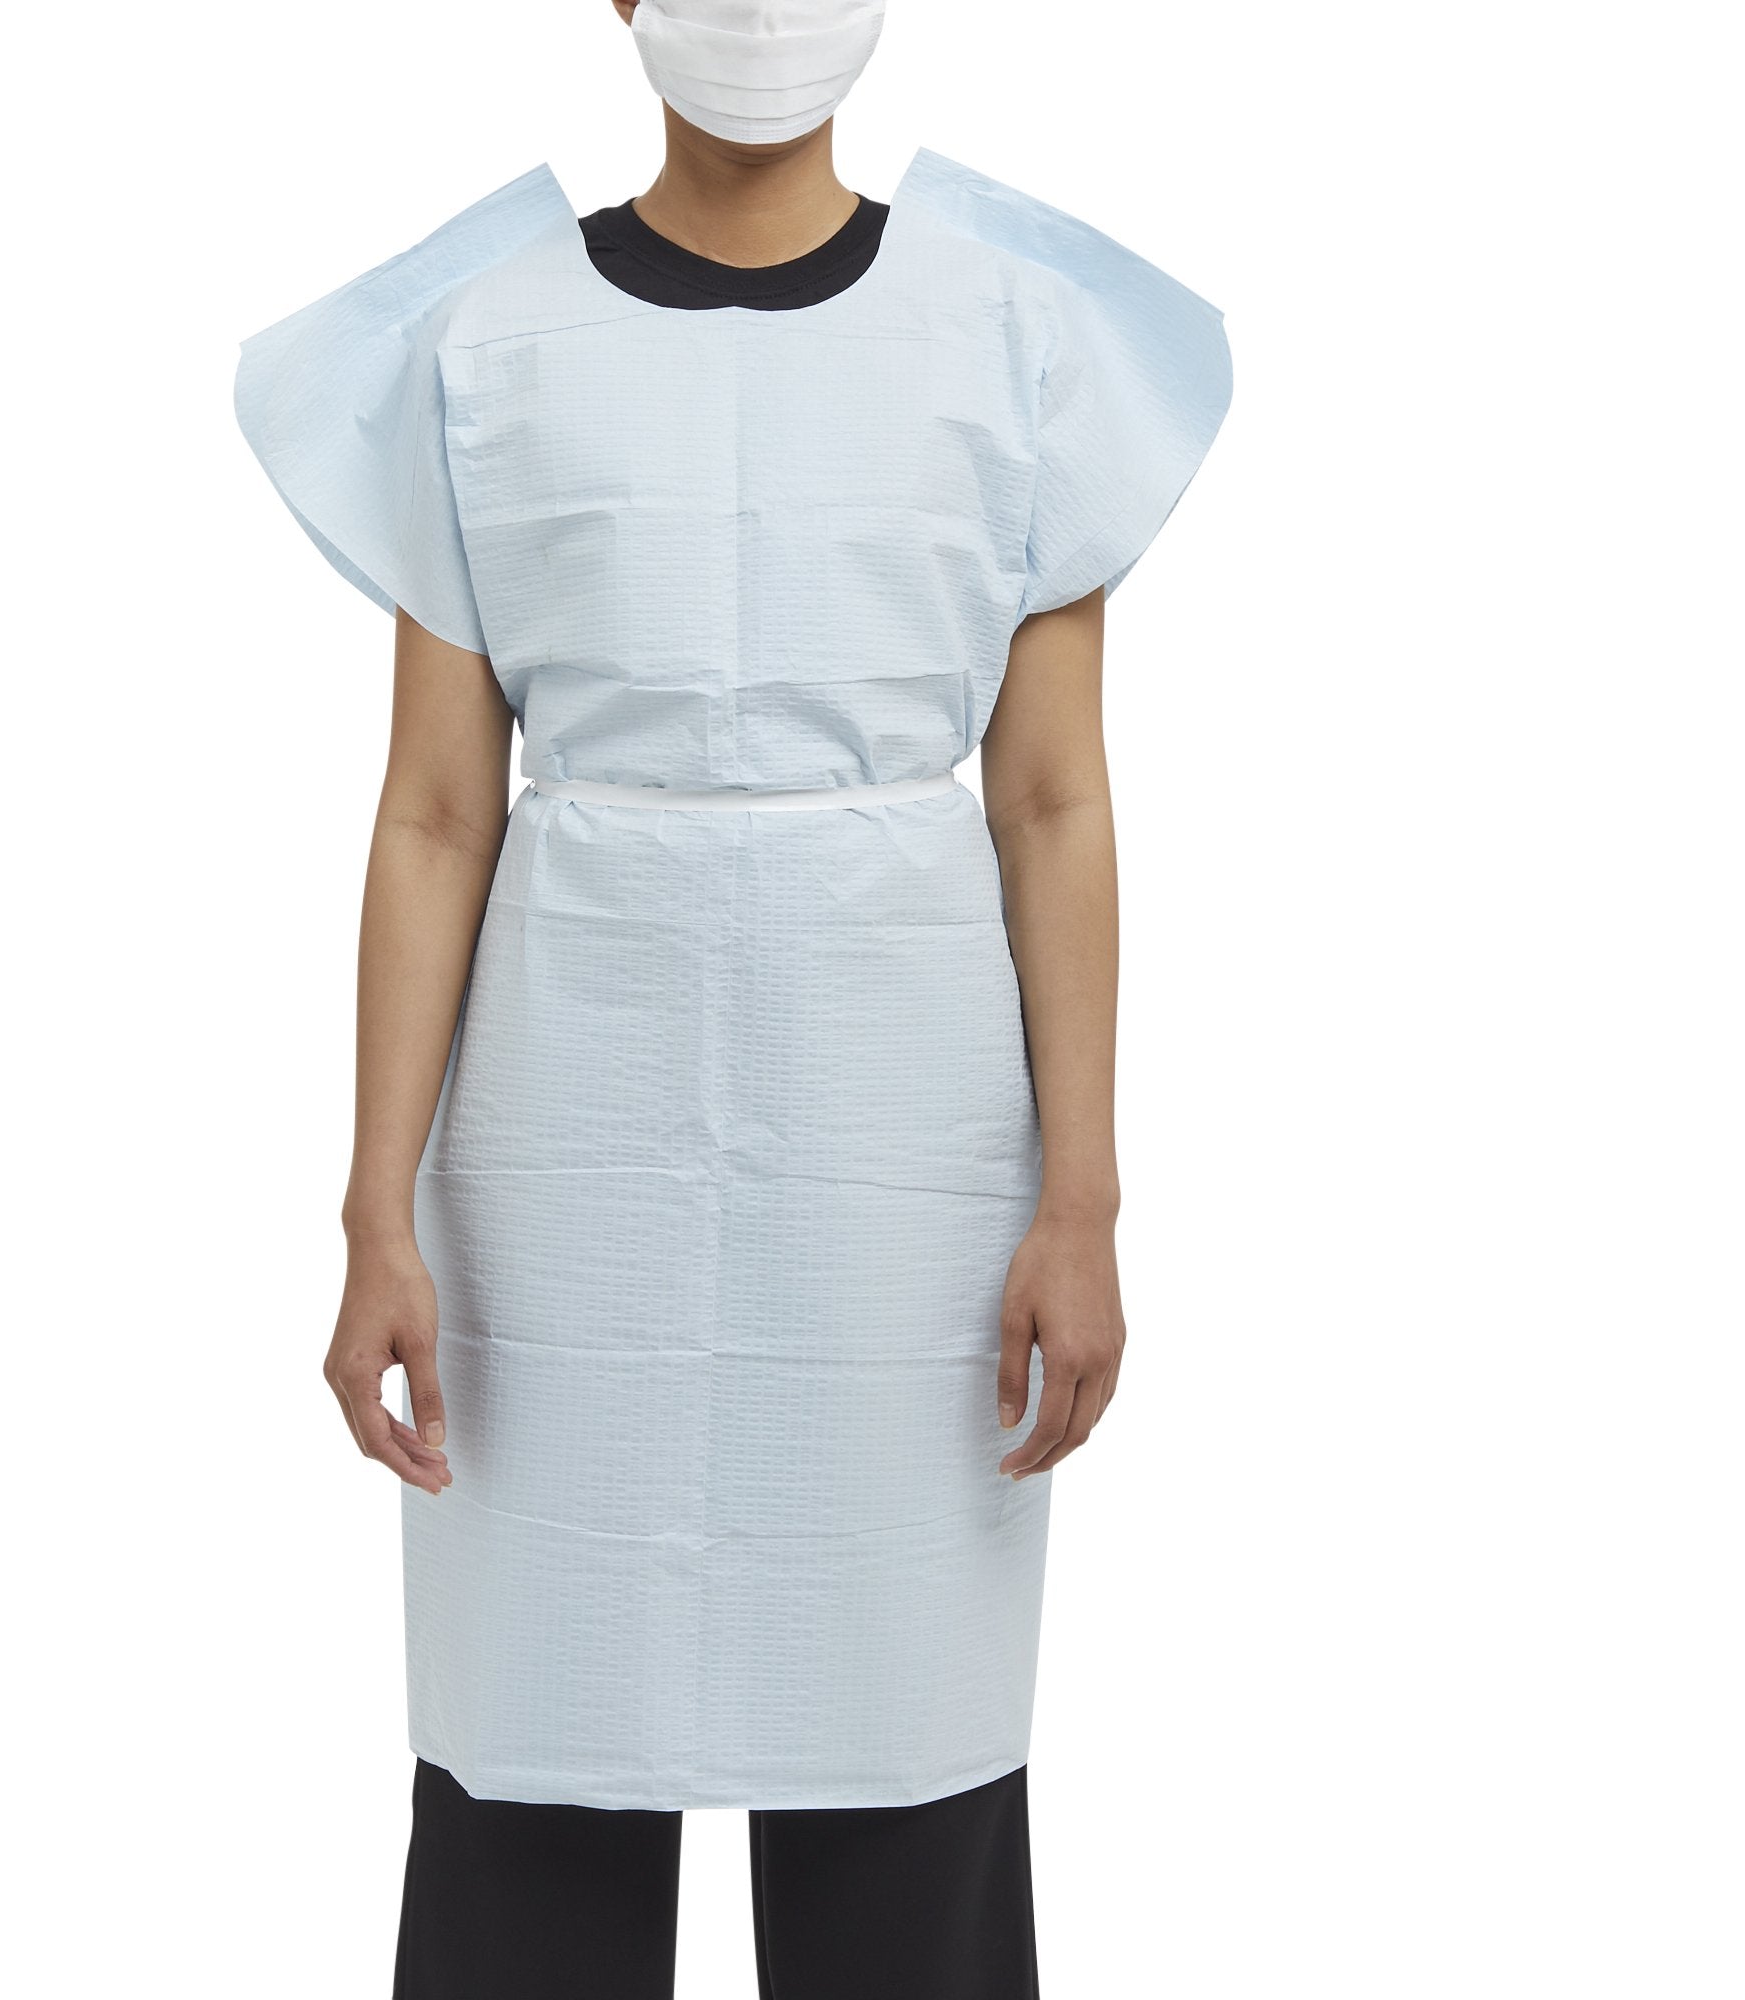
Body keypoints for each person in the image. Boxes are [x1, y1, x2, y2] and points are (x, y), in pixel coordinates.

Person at [233, 2, 1230, 1992]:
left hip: (902, 1147)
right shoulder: (484, 343)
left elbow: (1051, 798)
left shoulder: (1020, 337)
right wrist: (373, 1215)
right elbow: (436, 811)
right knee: (535, 1755)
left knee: (902, 1761)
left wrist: (1086, 1198)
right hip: (564, 1152)